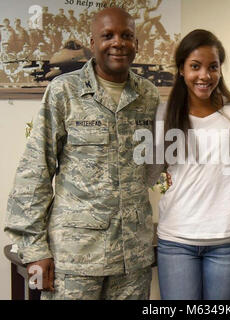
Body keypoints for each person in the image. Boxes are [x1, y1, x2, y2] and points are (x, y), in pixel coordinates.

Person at [4, 7, 160, 300]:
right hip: (75, 259)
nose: (118, 42)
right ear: (92, 42)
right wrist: (35, 249)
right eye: (108, 35)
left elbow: (152, 165)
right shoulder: (64, 91)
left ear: (137, 44)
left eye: (127, 36)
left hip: (132, 261)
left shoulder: (149, 95)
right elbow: (34, 171)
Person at [155, 29, 230, 300]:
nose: (204, 75)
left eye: (212, 67)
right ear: (182, 69)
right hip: (176, 241)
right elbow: (148, 171)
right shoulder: (163, 115)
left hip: (225, 243)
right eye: (195, 66)